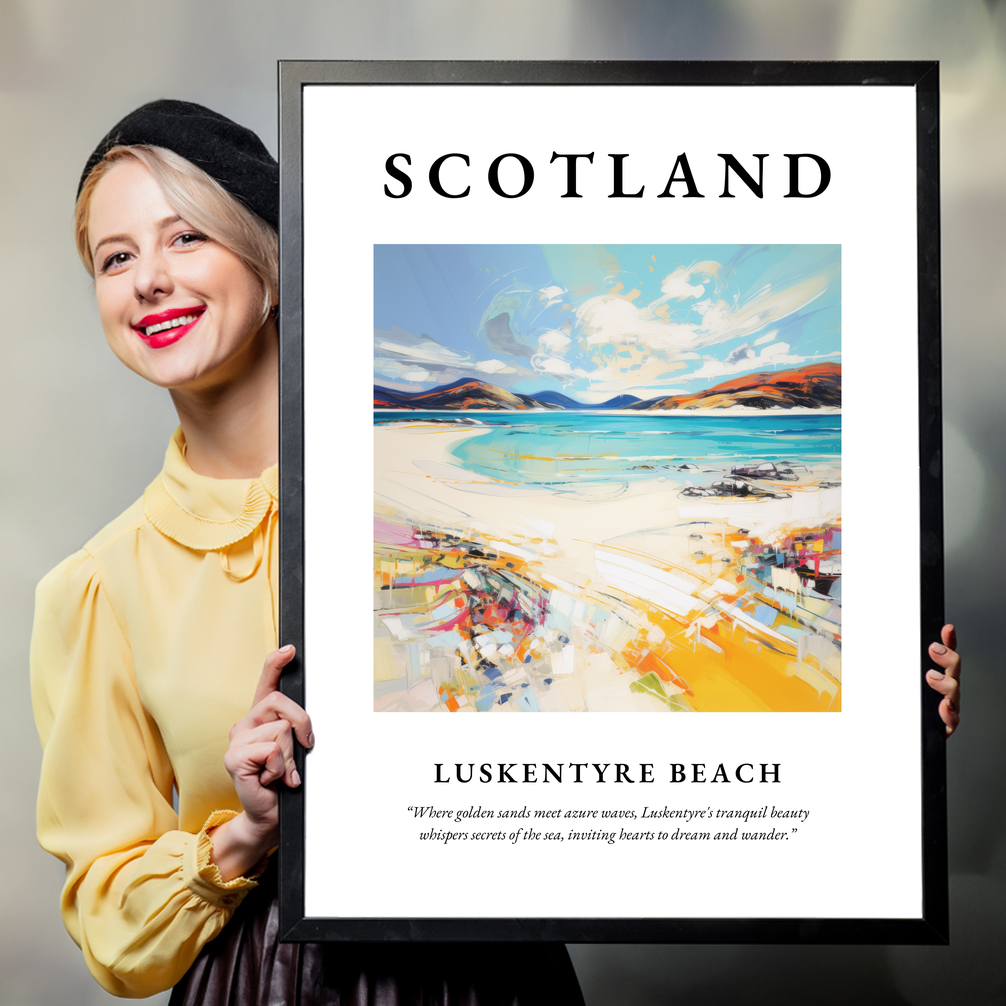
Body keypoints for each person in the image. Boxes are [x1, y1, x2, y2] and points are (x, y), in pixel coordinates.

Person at [30, 100, 586, 1004]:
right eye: (116, 257)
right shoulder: (97, 587)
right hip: (262, 982)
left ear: (273, 263)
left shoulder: (460, 499)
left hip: (492, 972)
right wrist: (245, 832)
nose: (148, 281)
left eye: (185, 239)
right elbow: (110, 923)